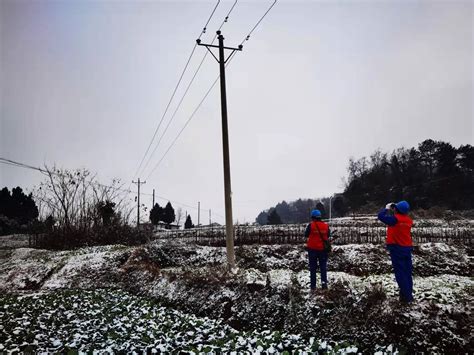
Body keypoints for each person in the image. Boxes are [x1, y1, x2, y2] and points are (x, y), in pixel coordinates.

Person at [377, 200, 414, 303]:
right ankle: (407, 294)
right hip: (407, 248)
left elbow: (380, 216)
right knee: (407, 273)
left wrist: (387, 208)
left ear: (397, 210)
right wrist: (395, 210)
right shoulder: (409, 220)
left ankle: (407, 298)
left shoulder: (395, 220)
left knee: (400, 273)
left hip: (397, 249)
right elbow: (398, 219)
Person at [305, 209, 330, 291]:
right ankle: (324, 285)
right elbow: (328, 235)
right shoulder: (326, 226)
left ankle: (313, 287)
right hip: (323, 250)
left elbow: (306, 235)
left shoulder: (311, 225)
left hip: (312, 250)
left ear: (313, 217)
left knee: (313, 268)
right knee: (323, 267)